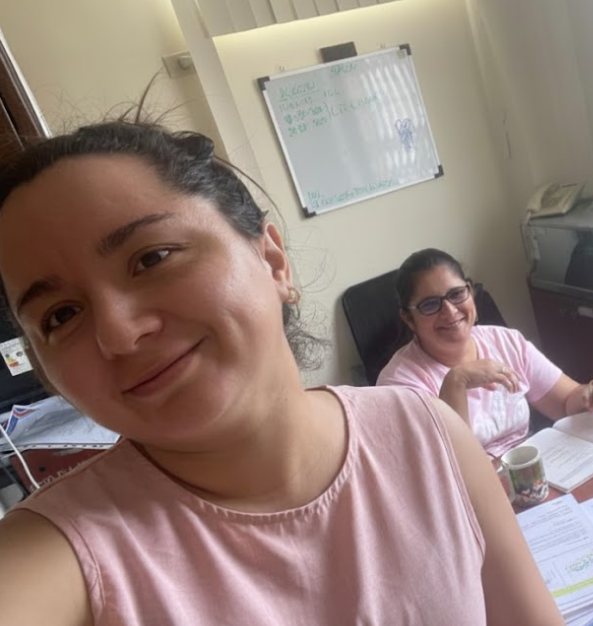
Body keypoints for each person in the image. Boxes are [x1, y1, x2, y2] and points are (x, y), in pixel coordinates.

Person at [0, 121, 564, 626]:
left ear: (272, 261)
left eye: (152, 258)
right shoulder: (61, 557)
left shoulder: (429, 432)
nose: (118, 334)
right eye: (60, 316)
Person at [377, 249, 593, 456]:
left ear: (470, 292)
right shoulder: (399, 385)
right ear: (409, 319)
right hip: (472, 496)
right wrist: (456, 381)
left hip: (537, 471)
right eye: (429, 305)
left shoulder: (505, 341)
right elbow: (447, 465)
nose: (450, 311)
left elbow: (565, 402)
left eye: (456, 294)